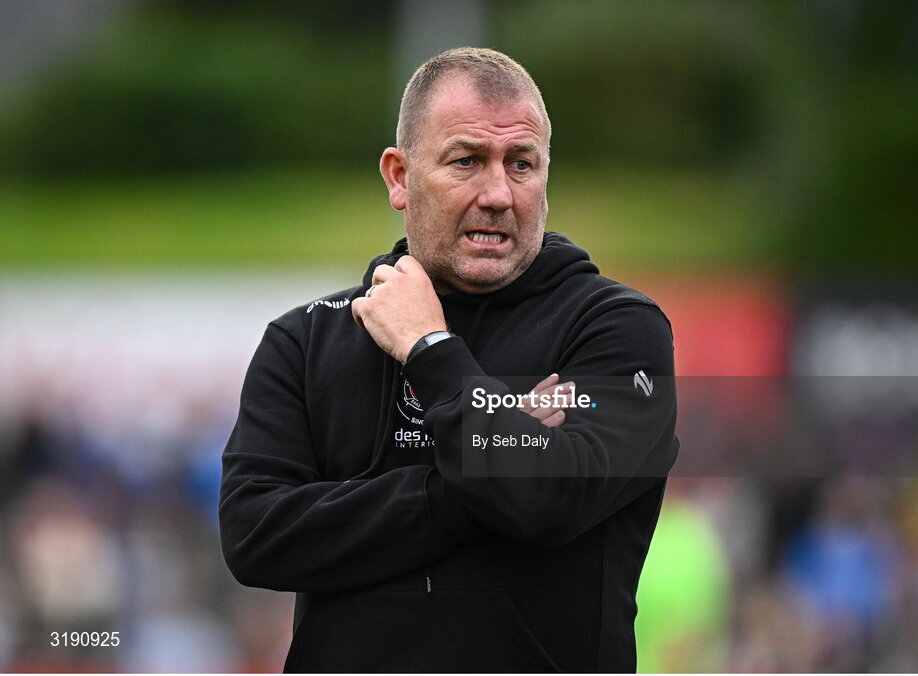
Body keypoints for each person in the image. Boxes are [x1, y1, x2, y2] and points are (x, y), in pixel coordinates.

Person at [219, 47, 679, 672]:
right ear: (399, 177)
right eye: (466, 161)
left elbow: (548, 498)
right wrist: (484, 468)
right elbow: (255, 536)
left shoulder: (617, 330)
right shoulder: (306, 338)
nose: (498, 193)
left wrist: (430, 351)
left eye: (522, 164)